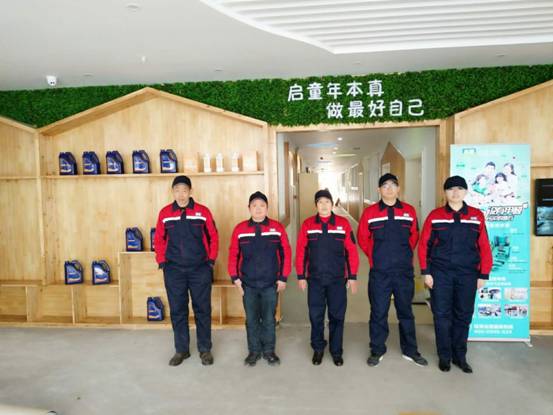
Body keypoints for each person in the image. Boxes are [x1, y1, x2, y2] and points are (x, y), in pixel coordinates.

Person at [418, 175, 492, 374]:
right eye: (451, 189)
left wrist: (483, 274)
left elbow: (484, 246)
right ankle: (444, 357)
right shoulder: (435, 216)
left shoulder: (476, 216)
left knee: (463, 315)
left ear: (466, 191)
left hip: (468, 275)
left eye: (460, 188)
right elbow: (424, 245)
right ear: (445, 193)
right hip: (440, 274)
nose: (456, 192)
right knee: (441, 315)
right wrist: (426, 272)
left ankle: (460, 356)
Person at [357, 173, 428, 367]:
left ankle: (410, 350)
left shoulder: (409, 211)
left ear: (398, 189)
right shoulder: (370, 213)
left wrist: (402, 255)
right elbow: (362, 238)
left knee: (406, 312)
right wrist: (375, 256)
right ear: (379, 190)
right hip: (380, 272)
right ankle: (377, 349)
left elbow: (414, 237)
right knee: (378, 312)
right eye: (385, 185)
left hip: (403, 271)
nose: (389, 189)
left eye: (393, 185)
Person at [154, 175, 219, 366]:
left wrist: (210, 261)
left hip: (200, 269)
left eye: (184, 190)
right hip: (174, 270)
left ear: (190, 191)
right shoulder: (165, 213)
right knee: (178, 310)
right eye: (177, 190)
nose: (181, 195)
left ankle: (205, 349)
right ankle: (181, 350)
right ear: (172, 192)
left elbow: (213, 237)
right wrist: (162, 262)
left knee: (203, 309)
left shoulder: (202, 212)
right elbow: (158, 239)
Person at [295, 189, 359, 366]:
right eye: (320, 202)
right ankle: (318, 348)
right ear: (316, 205)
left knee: (337, 316)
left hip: (337, 279)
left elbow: (351, 251)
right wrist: (301, 276)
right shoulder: (308, 224)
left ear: (332, 204)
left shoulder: (343, 224)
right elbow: (301, 251)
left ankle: (336, 351)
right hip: (315, 279)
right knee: (316, 316)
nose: (323, 205)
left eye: (327, 202)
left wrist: (352, 276)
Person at [228, 191, 291, 366]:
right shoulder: (240, 229)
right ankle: (254, 351)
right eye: (254, 206)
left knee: (269, 319)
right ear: (249, 208)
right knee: (251, 320)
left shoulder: (277, 228)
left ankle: (269, 351)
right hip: (248, 284)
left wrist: (283, 277)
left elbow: (286, 253)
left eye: (262, 205)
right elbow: (233, 254)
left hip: (271, 284)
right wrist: (235, 279)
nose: (258, 209)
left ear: (267, 208)